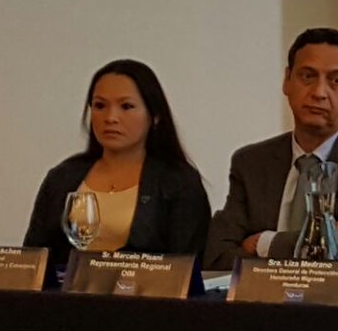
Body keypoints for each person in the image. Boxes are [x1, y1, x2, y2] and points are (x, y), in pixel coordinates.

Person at [203, 28, 338, 270]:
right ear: (287, 80)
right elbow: (217, 257)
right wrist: (330, 236)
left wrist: (263, 243)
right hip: (261, 295)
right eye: (308, 76)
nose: (319, 93)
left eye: (336, 81)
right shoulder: (251, 163)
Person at [24, 59, 210, 268]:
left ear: (155, 116)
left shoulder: (178, 181)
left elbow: (185, 268)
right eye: (100, 106)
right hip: (66, 288)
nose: (111, 117)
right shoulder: (62, 176)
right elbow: (32, 261)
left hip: (143, 288)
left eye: (126, 106)